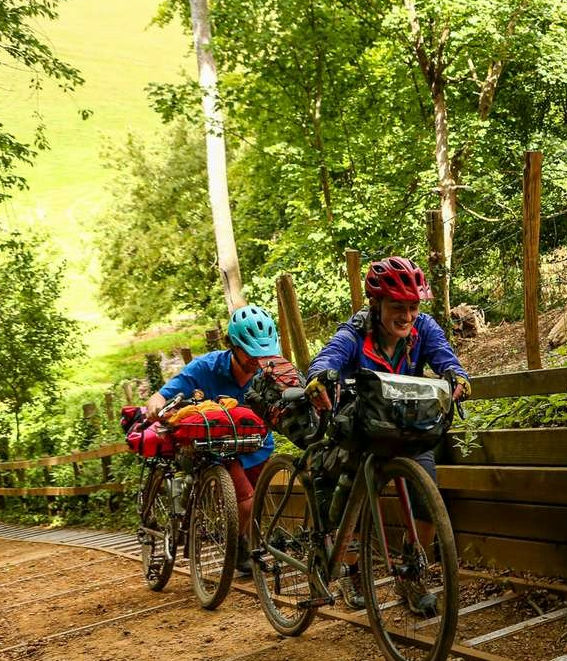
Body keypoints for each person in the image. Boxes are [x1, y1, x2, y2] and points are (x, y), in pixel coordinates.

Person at [305, 256, 470, 610]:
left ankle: (411, 575)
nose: (407, 316)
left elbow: (445, 357)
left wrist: (457, 376)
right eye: (398, 307)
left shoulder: (423, 328)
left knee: (426, 499)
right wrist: (320, 376)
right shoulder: (355, 332)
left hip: (407, 427)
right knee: (352, 497)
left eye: (412, 307)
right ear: (376, 304)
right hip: (363, 429)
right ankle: (351, 572)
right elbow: (329, 356)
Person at [145, 304, 282, 577]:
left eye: (263, 353)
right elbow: (163, 395)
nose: (258, 360)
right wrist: (155, 404)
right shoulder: (206, 368)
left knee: (257, 501)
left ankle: (241, 541)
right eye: (251, 353)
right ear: (233, 345)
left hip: (257, 445)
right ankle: (234, 543)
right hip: (218, 450)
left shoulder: (272, 369)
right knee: (246, 502)